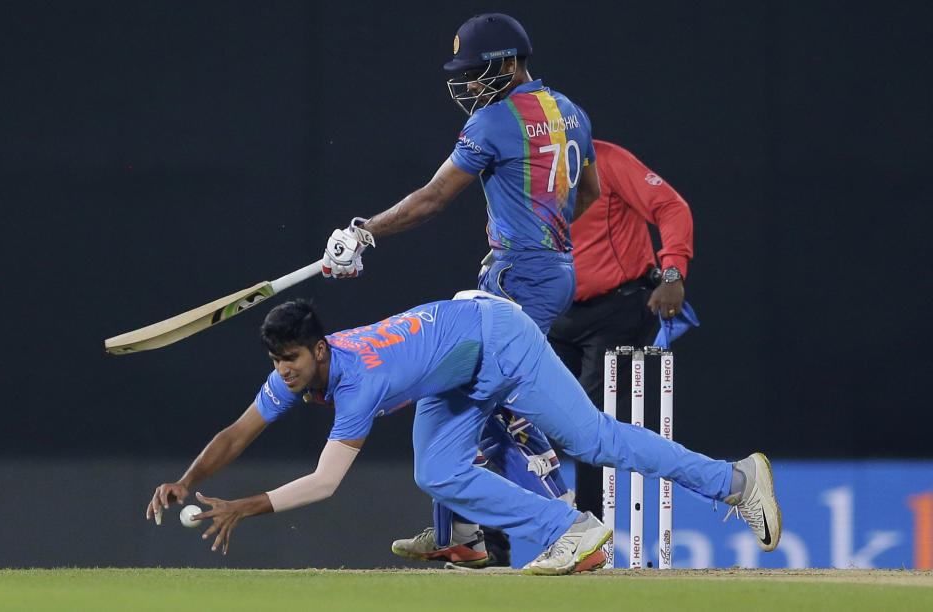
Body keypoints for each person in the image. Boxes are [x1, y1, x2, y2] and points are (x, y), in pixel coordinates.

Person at [145, 293, 782, 575]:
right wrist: (189, 480)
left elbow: (326, 482)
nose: (283, 374)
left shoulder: (358, 380)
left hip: (497, 342)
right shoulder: (301, 370)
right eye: (276, 363)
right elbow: (238, 431)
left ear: (318, 348)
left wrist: (245, 507)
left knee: (593, 441)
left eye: (291, 361)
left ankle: (734, 481)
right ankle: (482, 539)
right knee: (437, 471)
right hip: (450, 373)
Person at [319, 12, 604, 568]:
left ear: (510, 62)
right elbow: (588, 193)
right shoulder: (570, 111)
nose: (469, 84)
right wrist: (533, 236)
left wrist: (363, 232)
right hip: (553, 269)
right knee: (448, 385)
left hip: (520, 275)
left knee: (489, 404)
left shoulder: (495, 121)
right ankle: (459, 533)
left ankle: (568, 528)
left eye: (477, 71)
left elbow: (432, 197)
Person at [548, 139, 694, 517]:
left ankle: (590, 532)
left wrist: (674, 272)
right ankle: (492, 540)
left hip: (619, 309)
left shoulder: (606, 160)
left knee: (589, 421)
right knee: (519, 412)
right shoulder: (527, 169)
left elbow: (671, 207)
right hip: (555, 313)